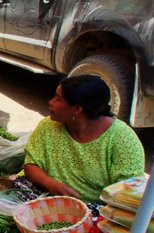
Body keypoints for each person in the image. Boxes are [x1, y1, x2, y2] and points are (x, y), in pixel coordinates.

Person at [21, 75, 145, 203]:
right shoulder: (48, 126)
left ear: (78, 109)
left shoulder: (122, 138)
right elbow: (31, 165)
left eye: (58, 98)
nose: (51, 102)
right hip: (48, 195)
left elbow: (129, 191)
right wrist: (50, 184)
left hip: (98, 209)